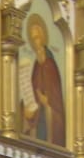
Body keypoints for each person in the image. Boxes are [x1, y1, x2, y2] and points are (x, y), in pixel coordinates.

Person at [21, 13, 65, 146]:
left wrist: (48, 101)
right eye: (33, 39)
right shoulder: (36, 65)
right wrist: (28, 105)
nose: (36, 42)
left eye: (38, 37)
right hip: (38, 113)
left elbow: (57, 98)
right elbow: (32, 90)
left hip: (48, 115)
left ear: (43, 37)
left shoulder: (50, 64)